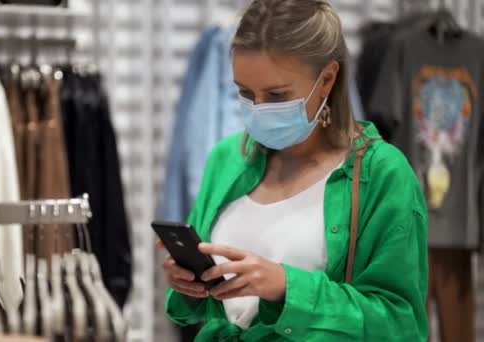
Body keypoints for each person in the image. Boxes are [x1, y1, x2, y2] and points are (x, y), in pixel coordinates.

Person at [159, 0, 429, 341]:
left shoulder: (383, 175)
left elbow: (400, 324)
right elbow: (222, 308)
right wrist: (190, 286)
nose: (257, 110)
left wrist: (288, 288)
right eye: (244, 93)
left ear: (327, 79)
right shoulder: (227, 159)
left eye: (276, 96)